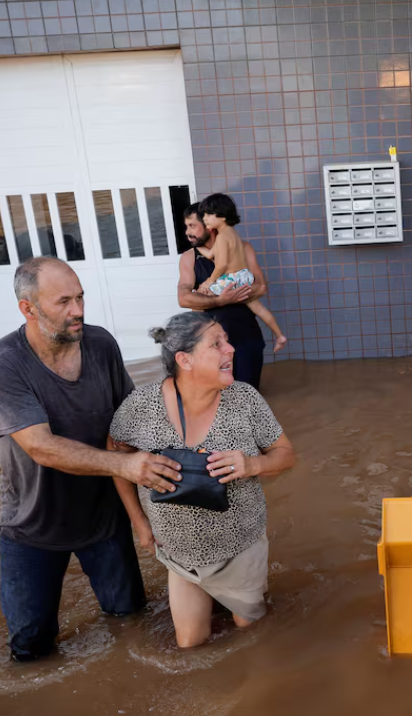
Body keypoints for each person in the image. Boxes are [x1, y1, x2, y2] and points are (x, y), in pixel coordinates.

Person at [0, 257, 184, 662]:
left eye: (81, 297)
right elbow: (41, 446)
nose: (79, 311)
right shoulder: (0, 364)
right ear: (28, 308)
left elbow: (130, 419)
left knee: (130, 622)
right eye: (64, 301)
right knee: (30, 648)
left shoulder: (100, 343)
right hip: (32, 526)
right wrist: (124, 465)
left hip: (103, 519)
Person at [108, 311, 296, 648]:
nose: (232, 349)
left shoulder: (245, 399)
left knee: (253, 638)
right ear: (185, 359)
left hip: (240, 547)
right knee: (190, 646)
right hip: (179, 554)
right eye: (217, 344)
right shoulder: (141, 406)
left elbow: (286, 455)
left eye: (227, 341)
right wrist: (139, 521)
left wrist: (252, 465)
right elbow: (117, 456)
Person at [177, 200, 270, 389]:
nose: (188, 232)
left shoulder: (243, 249)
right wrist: (221, 300)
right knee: (216, 399)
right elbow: (183, 298)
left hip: (246, 337)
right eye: (187, 227)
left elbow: (260, 287)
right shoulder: (189, 258)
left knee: (248, 396)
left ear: (209, 226)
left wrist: (209, 298)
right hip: (209, 343)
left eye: (193, 226)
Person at [193, 193, 287, 353]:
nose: (205, 218)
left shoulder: (222, 237)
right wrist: (196, 246)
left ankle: (195, 340)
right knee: (258, 307)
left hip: (232, 279)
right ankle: (280, 335)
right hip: (243, 277)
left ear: (222, 216)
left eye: (209, 214)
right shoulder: (232, 233)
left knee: (198, 300)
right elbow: (210, 255)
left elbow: (221, 264)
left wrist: (209, 281)